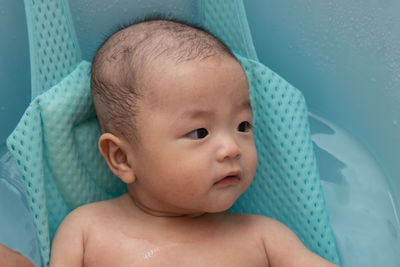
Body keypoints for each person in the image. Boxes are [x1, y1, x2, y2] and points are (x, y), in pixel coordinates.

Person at [49, 18, 338, 267]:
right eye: (200, 132)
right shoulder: (86, 231)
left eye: (243, 126)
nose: (232, 149)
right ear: (122, 158)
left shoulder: (265, 238)